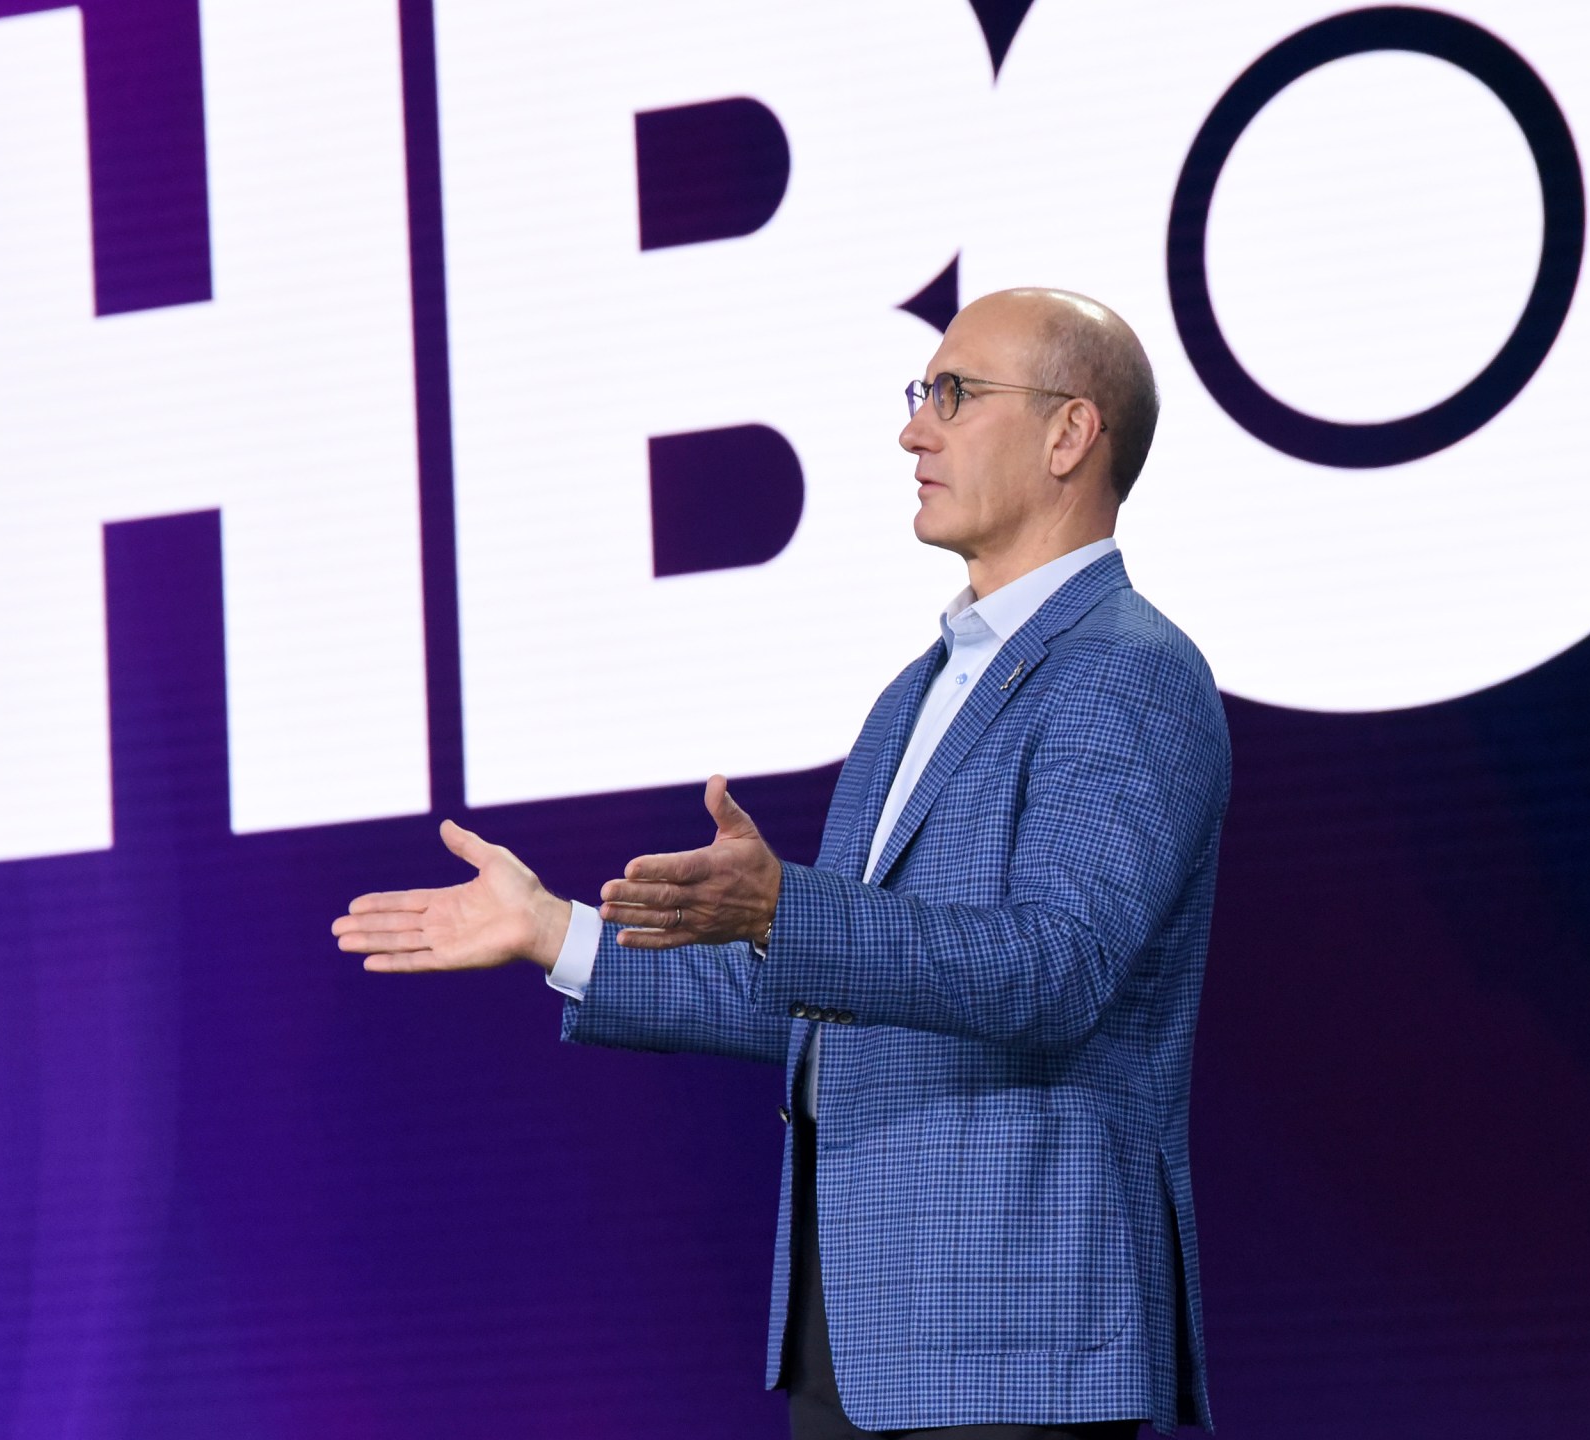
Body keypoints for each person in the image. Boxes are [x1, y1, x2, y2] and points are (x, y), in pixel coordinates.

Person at [332, 289, 1229, 1439]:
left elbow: (1055, 970)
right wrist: (556, 931)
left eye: (955, 395)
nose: (916, 431)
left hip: (1016, 1330)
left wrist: (784, 910)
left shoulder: (1125, 672)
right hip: (855, 1330)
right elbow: (833, 1000)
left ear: (1069, 434)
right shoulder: (914, 695)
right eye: (921, 397)